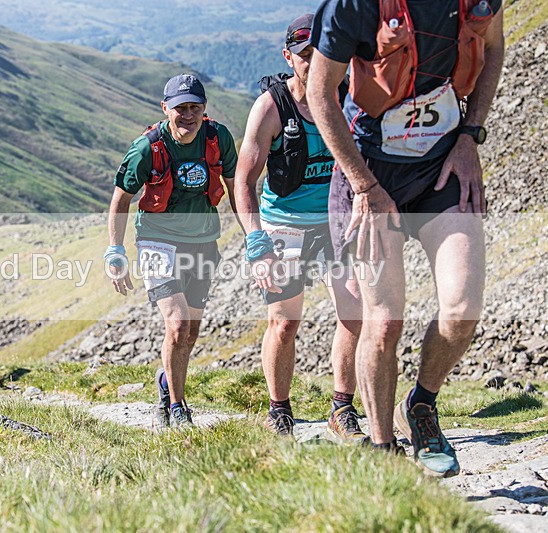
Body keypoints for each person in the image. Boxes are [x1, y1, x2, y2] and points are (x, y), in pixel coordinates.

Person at [306, 0, 504, 475]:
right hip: (370, 172)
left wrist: (469, 136)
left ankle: (420, 404)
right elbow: (319, 92)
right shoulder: (353, 6)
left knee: (462, 310)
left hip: (443, 164)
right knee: (385, 320)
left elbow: (493, 47)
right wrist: (363, 186)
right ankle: (383, 448)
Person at [234, 13, 364, 442]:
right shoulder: (271, 107)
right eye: (304, 55)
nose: (312, 62)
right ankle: (279, 410)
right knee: (284, 322)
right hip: (284, 224)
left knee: (354, 313)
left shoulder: (349, 96)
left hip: (336, 222)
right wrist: (257, 243)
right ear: (289, 57)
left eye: (321, 53)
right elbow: (244, 182)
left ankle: (342, 409)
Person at [106, 74, 238, 429]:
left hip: (204, 242)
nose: (188, 115)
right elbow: (121, 198)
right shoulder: (147, 147)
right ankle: (178, 408)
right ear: (166, 108)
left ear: (204, 108)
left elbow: (236, 187)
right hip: (157, 241)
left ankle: (166, 381)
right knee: (178, 325)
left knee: (190, 332)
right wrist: (115, 251)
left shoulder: (218, 138)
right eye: (181, 108)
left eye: (195, 107)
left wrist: (253, 236)